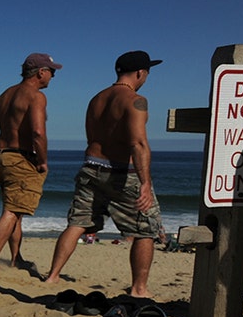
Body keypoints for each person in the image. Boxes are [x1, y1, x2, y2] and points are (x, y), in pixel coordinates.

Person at [44, 50, 164, 297]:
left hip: (90, 167)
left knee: (77, 223)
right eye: (147, 73)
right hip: (123, 172)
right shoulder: (136, 100)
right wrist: (145, 182)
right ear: (141, 73)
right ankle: (139, 288)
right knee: (145, 229)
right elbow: (138, 144)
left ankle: (53, 276)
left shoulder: (96, 98)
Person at [0, 52, 60, 268]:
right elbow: (38, 132)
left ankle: (16, 258)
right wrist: (42, 161)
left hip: (1, 157)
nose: (53, 76)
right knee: (12, 211)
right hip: (20, 157)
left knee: (16, 211)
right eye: (51, 72)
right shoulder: (36, 96)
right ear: (41, 72)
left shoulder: (6, 94)